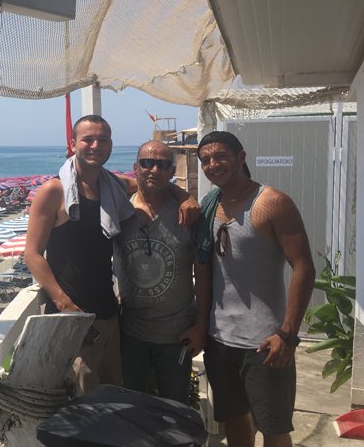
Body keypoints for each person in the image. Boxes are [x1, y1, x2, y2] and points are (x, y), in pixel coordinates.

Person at [25, 115, 199, 395]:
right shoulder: (54, 191)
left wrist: (183, 196)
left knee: (111, 398)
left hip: (108, 315)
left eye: (103, 140)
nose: (96, 145)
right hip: (72, 317)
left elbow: (148, 182)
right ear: (73, 144)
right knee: (82, 402)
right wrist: (65, 304)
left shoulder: (111, 185)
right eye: (88, 139)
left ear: (110, 146)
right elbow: (32, 255)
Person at [196, 131, 315, 447]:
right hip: (220, 338)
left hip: (265, 342)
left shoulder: (273, 203)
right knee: (234, 420)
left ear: (240, 157)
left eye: (220, 156)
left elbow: (304, 267)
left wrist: (288, 334)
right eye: (205, 160)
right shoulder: (211, 204)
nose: (213, 164)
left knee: (274, 427)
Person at [115, 141, 211, 405]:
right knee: (133, 408)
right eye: (146, 163)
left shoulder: (189, 214)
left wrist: (201, 327)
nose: (153, 169)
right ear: (135, 168)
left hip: (177, 334)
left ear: (172, 172)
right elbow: (93, 178)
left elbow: (203, 275)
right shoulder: (120, 210)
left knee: (175, 408)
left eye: (162, 165)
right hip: (131, 332)